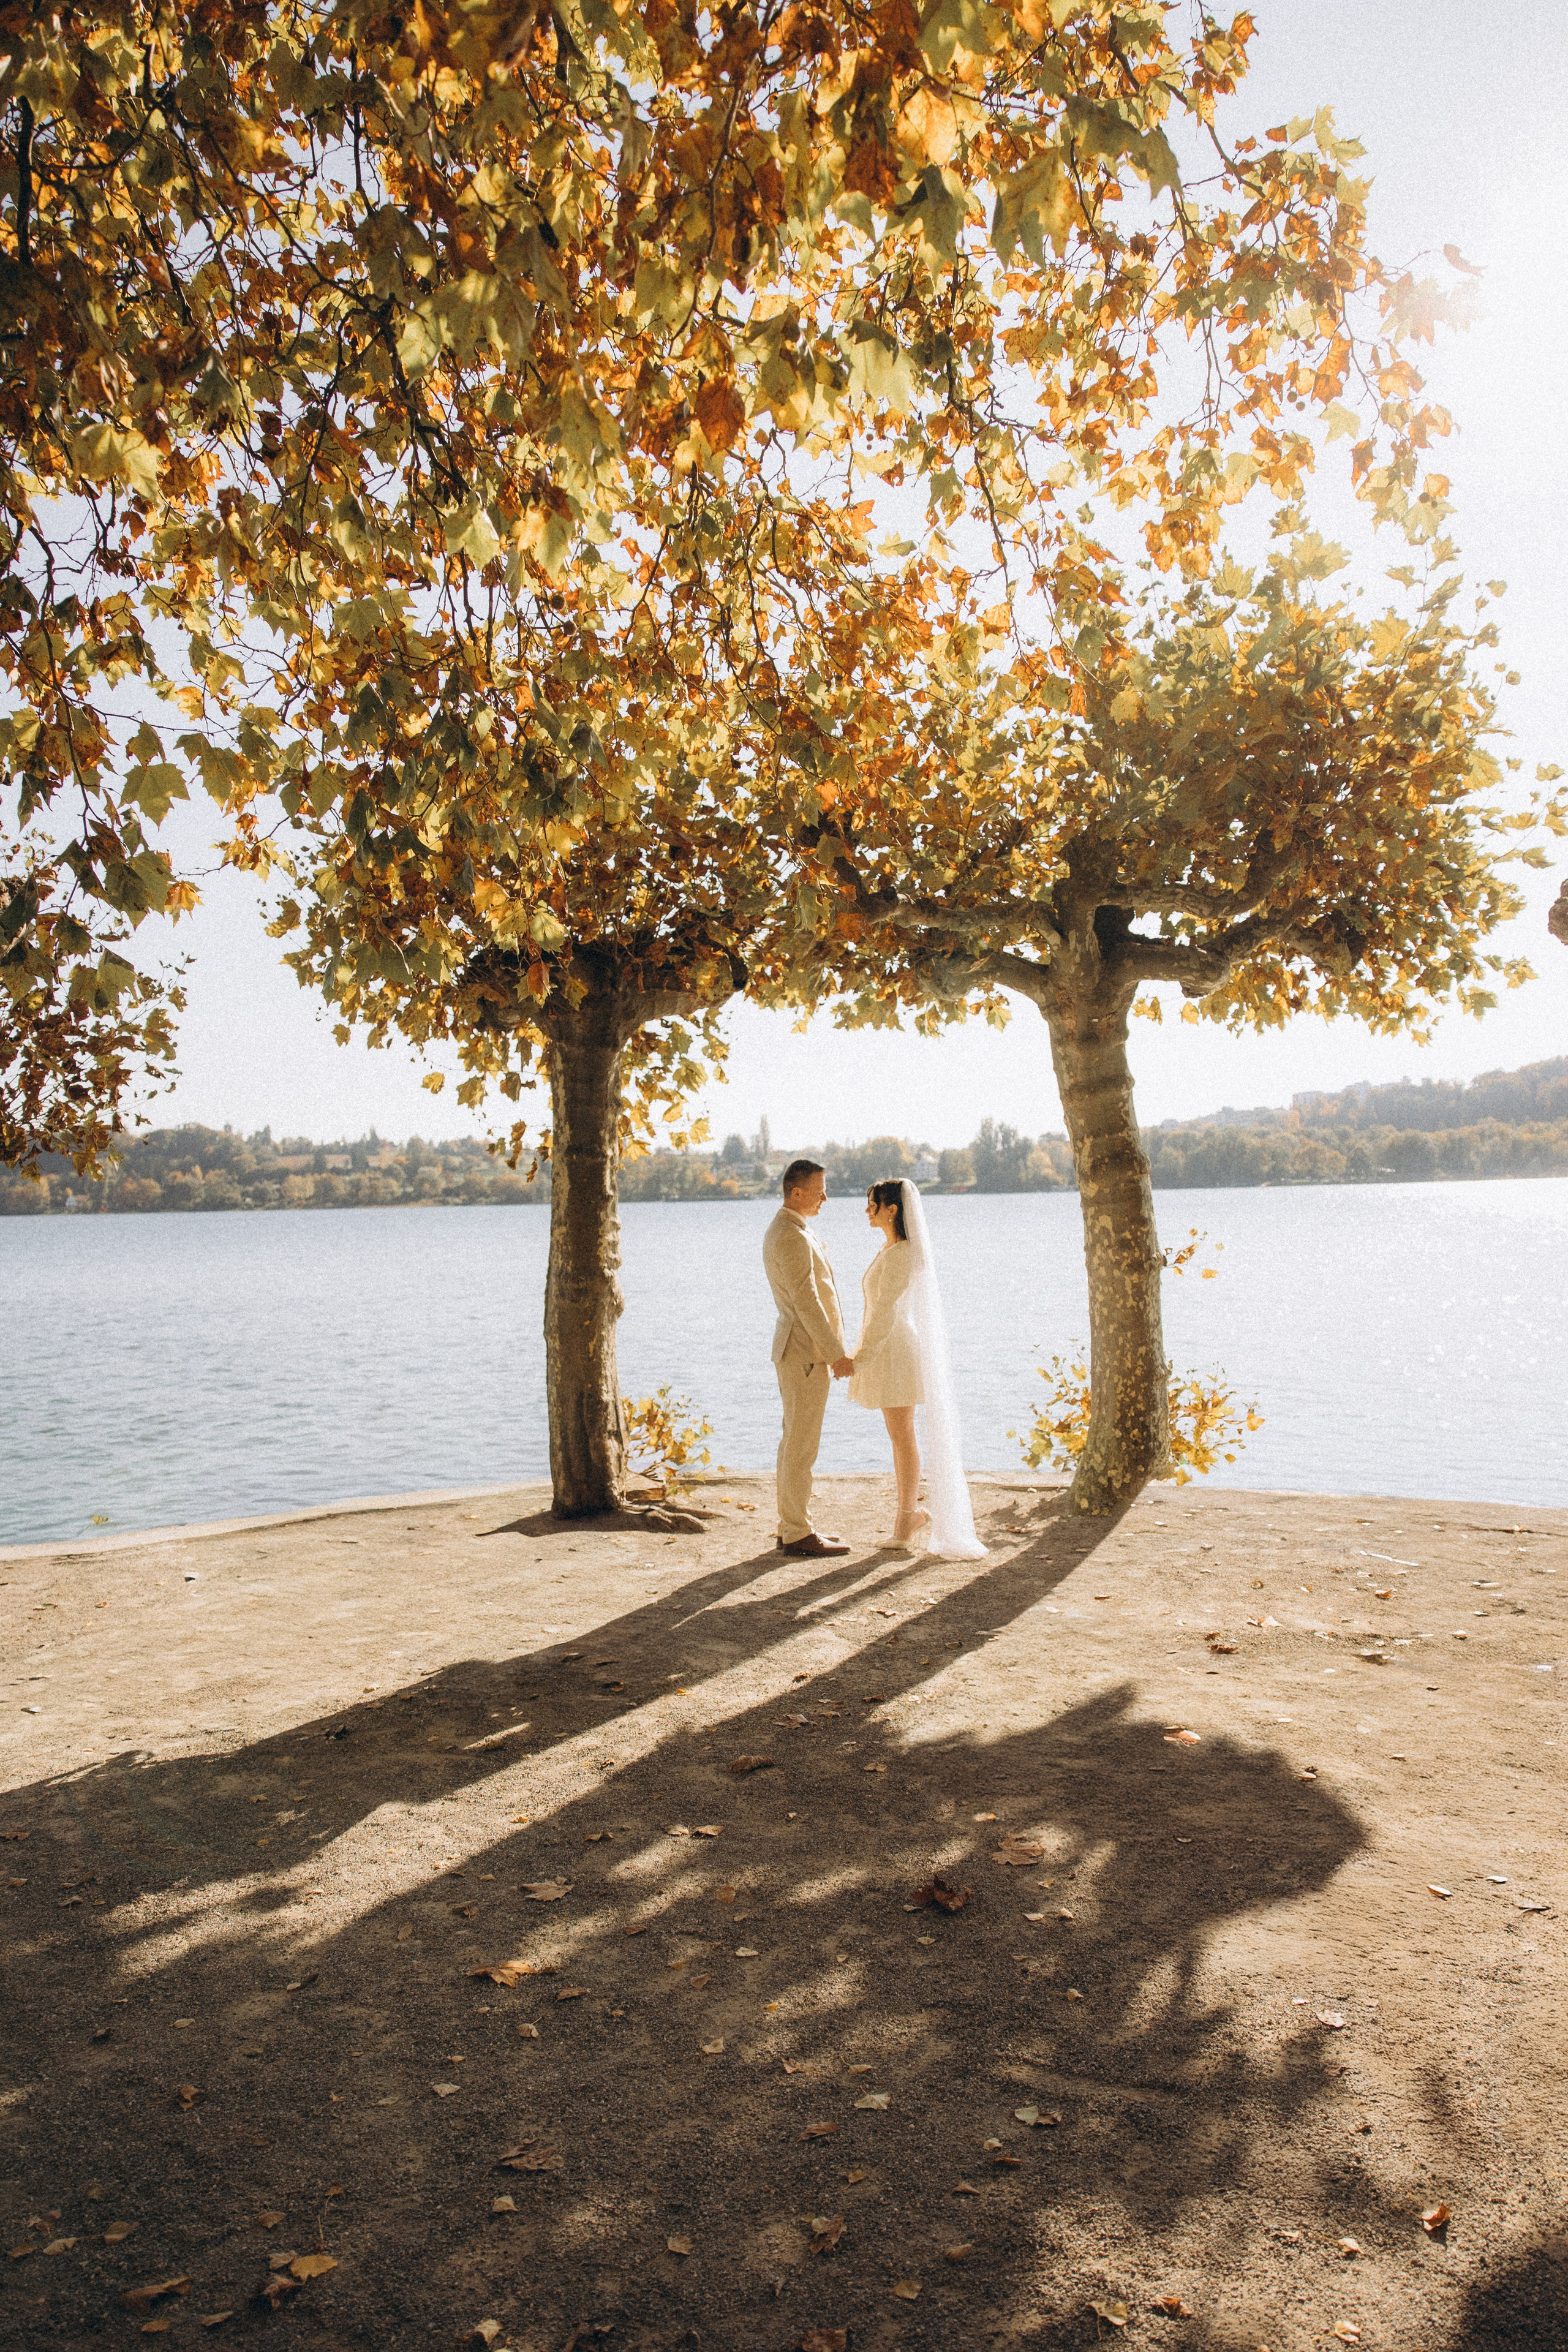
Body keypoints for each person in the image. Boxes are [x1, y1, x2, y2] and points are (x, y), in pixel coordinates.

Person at [846, 1177, 987, 1560]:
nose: (867, 1210)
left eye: (872, 1203)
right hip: (885, 1346)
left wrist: (860, 1357)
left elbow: (887, 1312)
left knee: (902, 1435)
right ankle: (908, 1517)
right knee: (898, 1435)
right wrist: (859, 1350)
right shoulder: (889, 1249)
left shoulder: (904, 1253)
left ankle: (907, 1519)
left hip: (895, 1349)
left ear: (892, 1210)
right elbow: (875, 1311)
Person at [761, 1159, 855, 1557]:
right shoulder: (790, 1235)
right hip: (805, 1353)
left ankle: (790, 1525)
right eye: (819, 1191)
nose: (825, 1198)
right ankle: (798, 1532)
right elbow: (807, 1303)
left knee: (794, 1442)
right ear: (796, 1192)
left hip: (798, 1351)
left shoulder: (792, 1229)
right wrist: (836, 1353)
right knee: (801, 1446)